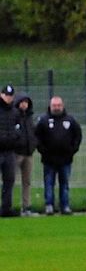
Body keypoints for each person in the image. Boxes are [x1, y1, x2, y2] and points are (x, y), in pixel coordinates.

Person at [35, 96, 82, 215]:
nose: (56, 108)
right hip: (48, 160)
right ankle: (49, 205)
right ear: (50, 106)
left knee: (64, 184)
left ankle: (65, 206)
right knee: (49, 183)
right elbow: (37, 137)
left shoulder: (70, 120)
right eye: (54, 105)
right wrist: (43, 150)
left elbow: (78, 136)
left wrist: (72, 150)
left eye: (58, 105)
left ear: (62, 105)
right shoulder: (44, 121)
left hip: (65, 159)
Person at [0, 83, 25, 217]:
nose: (8, 98)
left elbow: (19, 129)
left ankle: (6, 208)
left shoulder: (15, 112)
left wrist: (15, 138)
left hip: (9, 151)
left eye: (10, 96)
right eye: (6, 95)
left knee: (9, 180)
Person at [14, 93, 38, 215]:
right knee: (10, 180)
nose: (24, 104)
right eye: (22, 102)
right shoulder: (14, 116)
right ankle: (9, 205)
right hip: (16, 153)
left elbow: (33, 133)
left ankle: (26, 206)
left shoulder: (29, 117)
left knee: (27, 181)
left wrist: (34, 144)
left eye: (26, 102)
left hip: (28, 153)